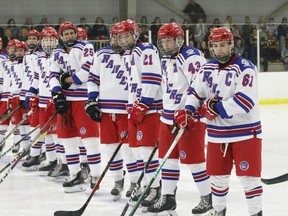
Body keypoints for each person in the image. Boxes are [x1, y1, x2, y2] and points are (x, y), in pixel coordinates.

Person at [174, 27, 263, 216]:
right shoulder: (207, 68)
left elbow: (245, 101)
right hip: (216, 134)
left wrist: (216, 108)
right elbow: (194, 93)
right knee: (217, 178)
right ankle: (218, 210)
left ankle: (255, 213)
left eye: (223, 45)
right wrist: (188, 111)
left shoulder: (245, 68)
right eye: (215, 46)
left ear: (231, 44)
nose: (219, 49)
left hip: (245, 133)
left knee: (248, 179)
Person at [147, 22, 212, 215]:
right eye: (163, 40)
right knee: (166, 161)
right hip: (167, 118)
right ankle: (167, 198)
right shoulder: (166, 58)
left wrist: (191, 112)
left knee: (194, 161)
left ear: (179, 39)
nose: (166, 44)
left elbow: (202, 87)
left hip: (188, 119)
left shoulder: (190, 57)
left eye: (170, 40)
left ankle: (207, 197)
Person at [85, 22, 139, 200]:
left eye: (121, 36)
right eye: (114, 36)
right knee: (110, 148)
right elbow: (92, 79)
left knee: (128, 149)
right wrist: (92, 100)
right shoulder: (101, 54)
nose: (117, 40)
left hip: (126, 110)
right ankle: (118, 179)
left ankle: (134, 181)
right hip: (106, 109)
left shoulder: (134, 54)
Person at [49, 21, 101, 193]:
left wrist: (66, 81)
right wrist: (57, 93)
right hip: (67, 101)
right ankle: (75, 175)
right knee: (67, 140)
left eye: (72, 33)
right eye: (66, 34)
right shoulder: (56, 53)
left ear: (76, 34)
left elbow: (87, 73)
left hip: (83, 100)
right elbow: (52, 76)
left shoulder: (85, 47)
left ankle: (95, 175)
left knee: (90, 141)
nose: (69, 36)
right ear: (61, 37)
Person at [117, 19, 162, 209]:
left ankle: (155, 188)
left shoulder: (147, 50)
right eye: (121, 36)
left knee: (146, 152)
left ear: (135, 33)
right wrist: (131, 106)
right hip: (134, 108)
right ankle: (145, 185)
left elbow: (153, 78)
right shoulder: (130, 54)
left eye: (127, 34)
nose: (124, 39)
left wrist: (144, 103)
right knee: (136, 152)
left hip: (149, 109)